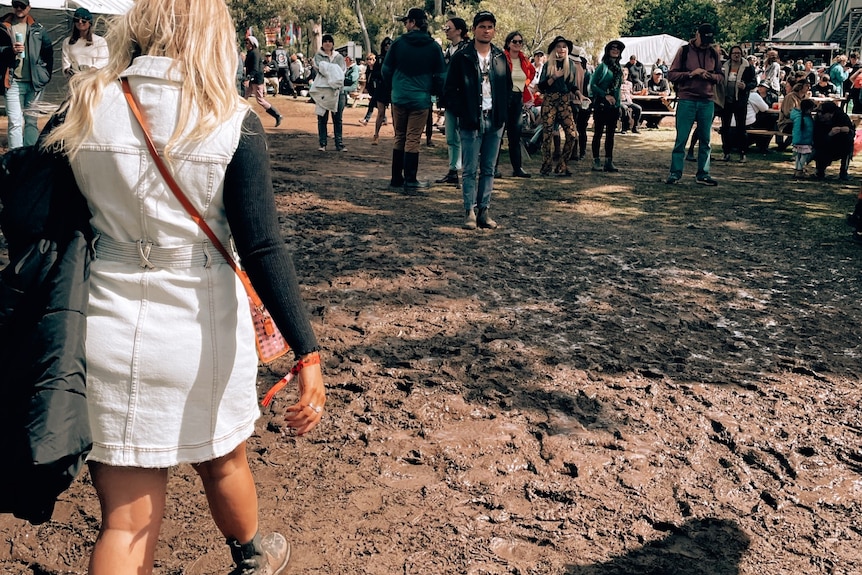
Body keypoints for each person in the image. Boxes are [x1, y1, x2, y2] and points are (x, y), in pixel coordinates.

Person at [40, 0, 326, 573]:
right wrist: (306, 349)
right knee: (224, 462)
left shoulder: (85, 102)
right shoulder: (227, 116)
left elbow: (42, 210)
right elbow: (264, 246)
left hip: (107, 319)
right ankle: (251, 555)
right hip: (202, 327)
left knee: (123, 523)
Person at [445, 10, 510, 230]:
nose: (486, 30)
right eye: (482, 26)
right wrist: (462, 111)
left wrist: (502, 115)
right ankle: (469, 210)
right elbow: (450, 89)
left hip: (495, 119)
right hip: (471, 119)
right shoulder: (462, 57)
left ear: (494, 30)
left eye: (490, 26)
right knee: (470, 168)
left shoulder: (500, 57)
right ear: (474, 29)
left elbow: (507, 88)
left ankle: (484, 210)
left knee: (489, 168)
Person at [381, 8, 445, 190]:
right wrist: (433, 91)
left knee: (399, 135)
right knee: (413, 138)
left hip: (399, 96)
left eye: (406, 21)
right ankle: (410, 179)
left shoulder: (399, 43)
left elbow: (386, 70)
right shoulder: (433, 47)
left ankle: (396, 179)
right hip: (420, 98)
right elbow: (441, 75)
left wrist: (394, 86)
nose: (405, 25)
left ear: (413, 23)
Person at [666, 23, 723, 186]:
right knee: (681, 139)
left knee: (705, 140)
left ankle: (703, 174)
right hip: (687, 100)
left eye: (709, 40)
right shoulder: (684, 51)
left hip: (707, 101)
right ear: (697, 34)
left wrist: (711, 77)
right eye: (704, 39)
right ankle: (675, 173)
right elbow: (671, 75)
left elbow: (720, 76)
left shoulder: (714, 52)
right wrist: (692, 74)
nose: (706, 43)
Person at [0, 0, 53, 149]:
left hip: (34, 84)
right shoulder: (3, 27)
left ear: (29, 7)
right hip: (12, 82)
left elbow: (48, 52)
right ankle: (16, 156)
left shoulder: (38, 28)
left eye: (22, 6)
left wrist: (45, 75)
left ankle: (29, 156)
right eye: (16, 5)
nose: (18, 8)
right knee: (15, 121)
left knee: (31, 121)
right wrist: (10, 51)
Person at [536, 35, 583, 176]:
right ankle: (546, 165)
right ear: (554, 49)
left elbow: (572, 85)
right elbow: (541, 87)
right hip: (550, 100)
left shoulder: (571, 65)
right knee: (547, 135)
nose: (561, 49)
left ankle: (562, 164)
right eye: (558, 46)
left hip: (564, 101)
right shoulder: (547, 65)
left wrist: (579, 94)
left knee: (572, 134)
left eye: (564, 46)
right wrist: (554, 77)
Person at [435, 17, 470, 186]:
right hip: (449, 99)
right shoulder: (450, 49)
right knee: (451, 136)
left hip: (463, 100)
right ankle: (453, 170)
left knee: (465, 136)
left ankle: (465, 171)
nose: (446, 30)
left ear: (459, 31)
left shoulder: (467, 50)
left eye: (448, 27)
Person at [502, 30, 534, 178]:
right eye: (514, 41)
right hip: (503, 98)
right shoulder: (502, 58)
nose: (517, 44)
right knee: (498, 134)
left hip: (517, 98)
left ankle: (517, 168)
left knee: (515, 136)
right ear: (508, 43)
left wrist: (524, 86)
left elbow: (531, 73)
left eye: (520, 42)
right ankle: (492, 168)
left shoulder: (524, 60)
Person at [590, 39, 625, 172]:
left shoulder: (618, 68)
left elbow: (618, 87)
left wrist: (618, 102)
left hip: (614, 106)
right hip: (602, 105)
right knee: (598, 133)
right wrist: (605, 95)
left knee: (611, 134)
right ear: (608, 51)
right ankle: (596, 161)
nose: (615, 50)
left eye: (618, 49)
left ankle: (608, 161)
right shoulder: (602, 67)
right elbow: (592, 85)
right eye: (613, 48)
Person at [716, 45, 756, 162]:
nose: (736, 55)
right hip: (726, 101)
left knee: (741, 128)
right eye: (734, 53)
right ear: (730, 54)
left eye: (738, 53)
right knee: (725, 128)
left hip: (740, 101)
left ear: (742, 54)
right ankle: (726, 152)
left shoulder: (748, 67)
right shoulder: (724, 65)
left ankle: (743, 153)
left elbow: (754, 82)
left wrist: (746, 86)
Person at [312, 34, 346, 151]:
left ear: (332, 44)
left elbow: (341, 71)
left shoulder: (339, 57)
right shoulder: (318, 56)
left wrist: (329, 69)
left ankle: (339, 143)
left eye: (329, 41)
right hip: (323, 90)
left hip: (338, 91)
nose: (327, 43)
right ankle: (322, 143)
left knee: (338, 119)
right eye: (325, 41)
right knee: (322, 118)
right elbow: (320, 68)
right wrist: (332, 70)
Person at [243, 36, 283, 127]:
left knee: (260, 100)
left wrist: (249, 78)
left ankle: (277, 115)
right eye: (245, 43)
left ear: (252, 44)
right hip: (252, 79)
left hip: (256, 79)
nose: (246, 45)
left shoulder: (255, 53)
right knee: (243, 97)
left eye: (247, 43)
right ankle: (242, 118)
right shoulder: (250, 53)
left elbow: (255, 68)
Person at [812, 100, 855, 180]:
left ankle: (843, 172)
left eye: (822, 113)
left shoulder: (842, 117)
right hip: (824, 145)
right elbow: (817, 139)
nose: (820, 114)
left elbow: (852, 133)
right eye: (818, 112)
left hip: (840, 144)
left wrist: (846, 130)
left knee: (848, 144)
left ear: (831, 114)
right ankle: (820, 171)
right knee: (818, 148)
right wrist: (829, 134)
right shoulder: (817, 120)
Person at [61, 7, 108, 77]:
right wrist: (69, 70)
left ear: (90, 22)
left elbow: (104, 60)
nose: (80, 22)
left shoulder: (100, 41)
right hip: (75, 79)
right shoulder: (67, 41)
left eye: (84, 20)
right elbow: (66, 61)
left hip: (93, 79)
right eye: (77, 20)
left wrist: (90, 70)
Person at [790, 98, 815, 180]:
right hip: (805, 141)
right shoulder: (807, 119)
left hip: (797, 140)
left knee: (798, 156)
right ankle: (800, 170)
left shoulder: (797, 117)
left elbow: (796, 130)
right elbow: (810, 130)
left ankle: (797, 169)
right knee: (803, 156)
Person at [618, 66, 642, 135]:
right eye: (622, 74)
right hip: (620, 101)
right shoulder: (616, 83)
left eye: (625, 74)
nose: (624, 76)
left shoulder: (630, 83)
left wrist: (640, 92)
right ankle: (624, 128)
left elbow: (631, 93)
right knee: (624, 108)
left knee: (638, 108)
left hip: (629, 101)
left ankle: (635, 127)